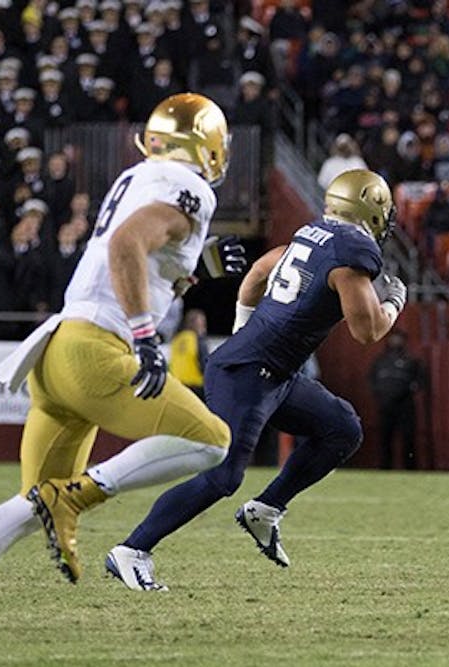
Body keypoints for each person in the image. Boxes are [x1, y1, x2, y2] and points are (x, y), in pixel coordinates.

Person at [0, 94, 244, 643]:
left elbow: (147, 261)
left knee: (33, 507)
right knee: (213, 441)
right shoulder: (189, 187)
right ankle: (78, 494)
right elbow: (127, 244)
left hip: (57, 351)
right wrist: (146, 336)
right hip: (96, 349)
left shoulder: (139, 176)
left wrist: (197, 269)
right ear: (207, 145)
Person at [105, 169, 406, 590]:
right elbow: (367, 331)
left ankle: (266, 510)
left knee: (341, 428)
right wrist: (393, 301)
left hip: (272, 371)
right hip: (248, 373)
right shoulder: (352, 252)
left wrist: (243, 329)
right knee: (222, 476)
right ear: (371, 209)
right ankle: (132, 550)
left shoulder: (311, 235)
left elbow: (259, 274)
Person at [369, 329, 424, 469]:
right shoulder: (380, 361)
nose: (395, 341)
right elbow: (372, 380)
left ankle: (410, 467)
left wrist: (408, 390)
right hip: (385, 404)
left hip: (405, 404)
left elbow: (420, 381)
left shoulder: (411, 361)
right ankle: (385, 467)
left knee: (408, 437)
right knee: (385, 437)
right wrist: (380, 393)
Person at [169, 308, 209, 399]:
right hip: (196, 385)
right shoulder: (197, 339)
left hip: (177, 385)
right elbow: (204, 363)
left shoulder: (176, 339)